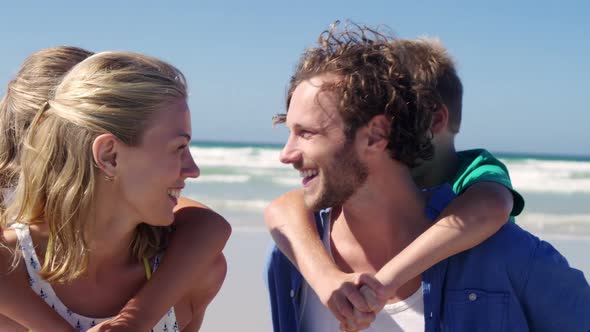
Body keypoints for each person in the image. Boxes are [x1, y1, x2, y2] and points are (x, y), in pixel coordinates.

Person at [266, 23, 590, 331]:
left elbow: (489, 206)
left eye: (307, 133)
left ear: (377, 135)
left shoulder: (505, 248)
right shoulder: (293, 257)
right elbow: (282, 210)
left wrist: (383, 282)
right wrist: (325, 277)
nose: (286, 154)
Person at [0, 50, 229, 331]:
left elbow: (210, 225)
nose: (193, 169)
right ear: (109, 156)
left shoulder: (192, 275)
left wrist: (134, 320)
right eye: (179, 147)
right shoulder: (14, 270)